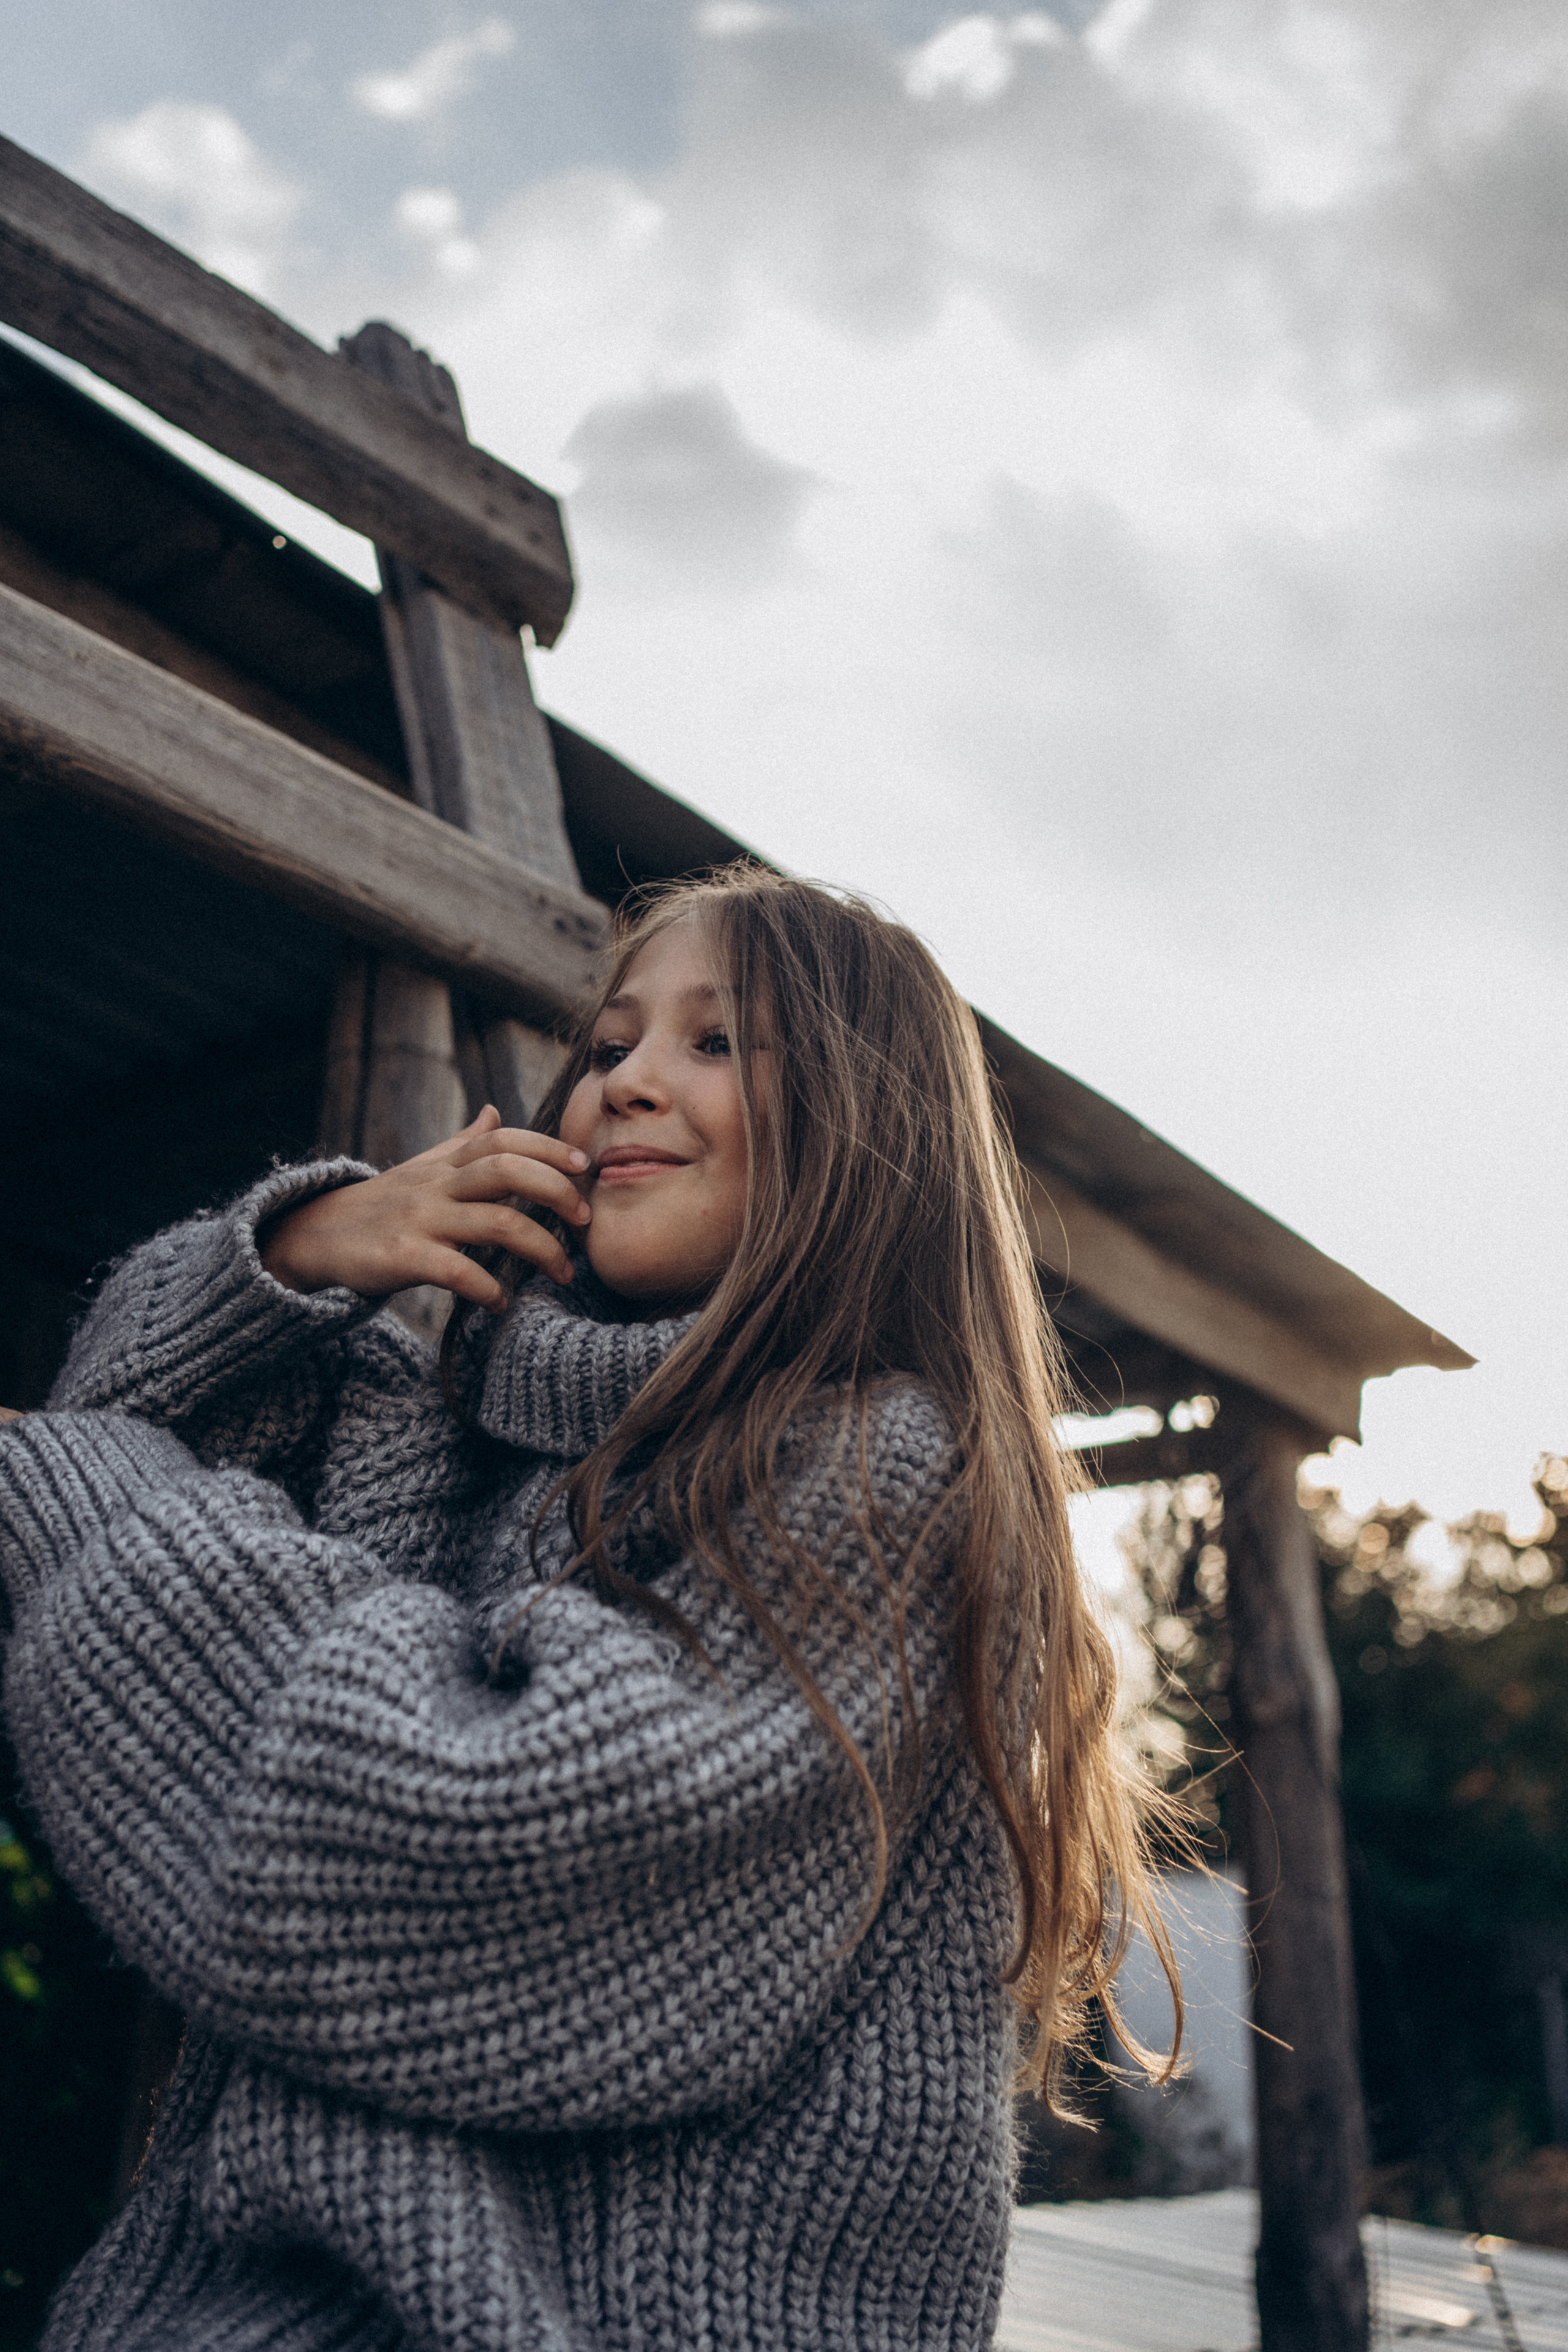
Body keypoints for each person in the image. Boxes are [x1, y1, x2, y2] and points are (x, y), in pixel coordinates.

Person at [0, 867, 1178, 2352]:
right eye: (610, 1044)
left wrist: (89, 1493)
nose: (625, 1081)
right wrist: (294, 1260)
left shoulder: (890, 1475)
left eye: (713, 1042)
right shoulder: (467, 1446)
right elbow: (95, 1435)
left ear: (875, 1134)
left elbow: (460, 1848)